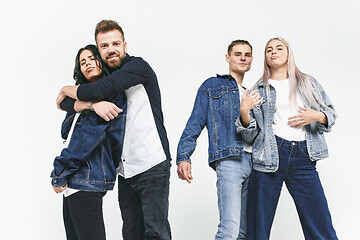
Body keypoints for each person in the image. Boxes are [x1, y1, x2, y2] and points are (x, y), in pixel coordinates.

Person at [56, 20, 171, 240]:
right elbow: (68, 106)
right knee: (130, 232)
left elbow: (97, 90)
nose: (111, 50)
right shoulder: (104, 79)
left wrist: (65, 89)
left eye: (115, 44)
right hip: (125, 170)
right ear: (99, 50)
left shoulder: (137, 67)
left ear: (125, 45)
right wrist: (91, 104)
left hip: (152, 162)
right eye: (104, 46)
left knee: (156, 232)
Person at [236, 37, 338, 239]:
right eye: (269, 50)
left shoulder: (307, 83)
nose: (273, 52)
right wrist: (244, 112)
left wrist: (316, 116)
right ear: (265, 58)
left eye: (279, 48)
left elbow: (331, 115)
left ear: (288, 53)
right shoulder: (258, 89)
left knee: (320, 224)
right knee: (258, 228)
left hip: (303, 156)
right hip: (269, 157)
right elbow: (249, 135)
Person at [177, 40, 262, 239]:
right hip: (230, 160)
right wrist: (184, 156)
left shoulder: (253, 94)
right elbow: (195, 122)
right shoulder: (212, 86)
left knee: (243, 232)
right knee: (229, 229)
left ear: (251, 60)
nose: (242, 58)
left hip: (255, 163)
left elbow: (257, 132)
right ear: (228, 57)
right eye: (238, 54)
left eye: (247, 55)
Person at [51, 44, 126, 240]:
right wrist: (90, 105)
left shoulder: (109, 93)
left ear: (101, 60)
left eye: (92, 58)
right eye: (83, 62)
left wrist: (59, 171)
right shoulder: (91, 100)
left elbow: (85, 139)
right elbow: (64, 107)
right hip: (75, 182)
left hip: (85, 179)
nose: (87, 64)